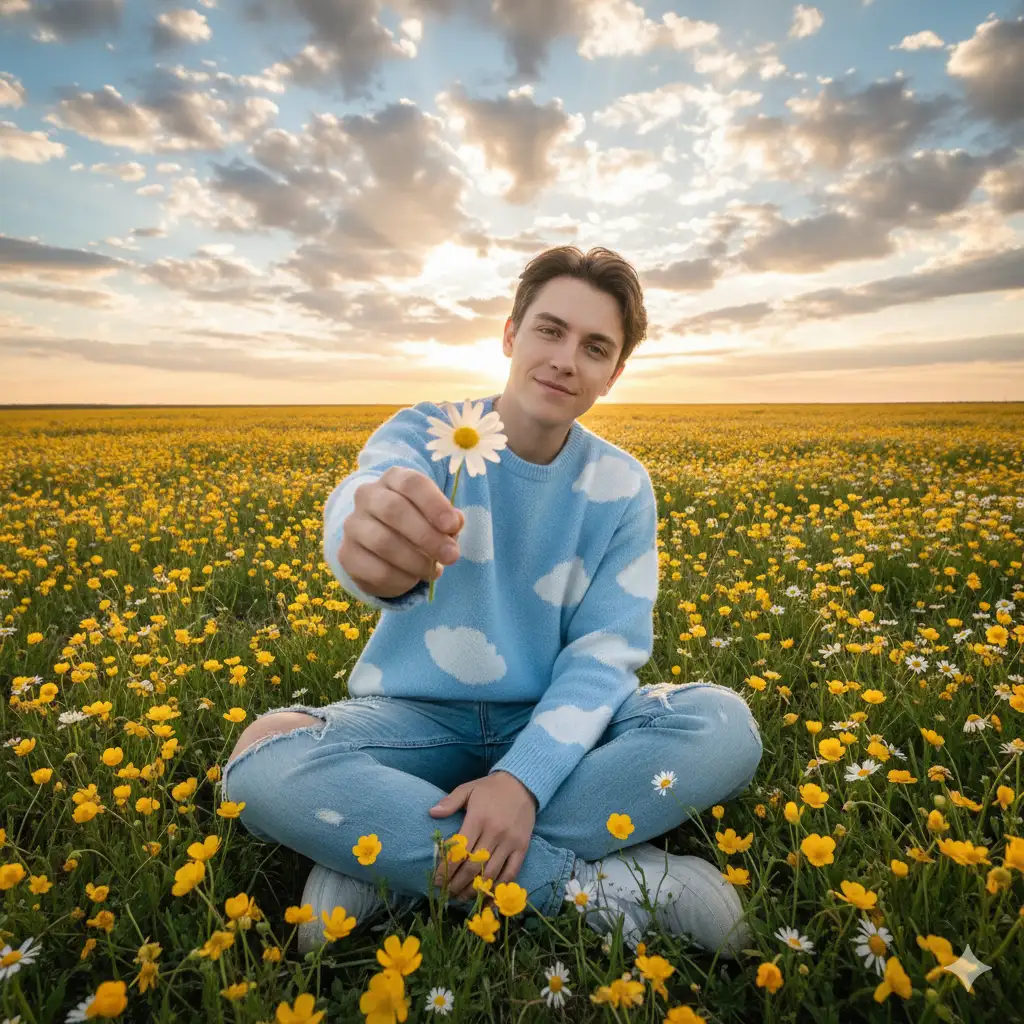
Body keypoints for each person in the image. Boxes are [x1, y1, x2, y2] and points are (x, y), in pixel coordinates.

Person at [221, 245, 763, 958]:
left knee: (722, 724)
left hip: (557, 726)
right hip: (416, 723)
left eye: (594, 347)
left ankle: (389, 857)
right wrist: (366, 542)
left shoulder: (624, 486)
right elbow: (372, 495)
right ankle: (598, 887)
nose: (566, 358)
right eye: (550, 330)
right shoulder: (429, 431)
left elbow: (606, 654)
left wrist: (522, 779)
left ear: (614, 374)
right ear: (511, 335)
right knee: (261, 757)